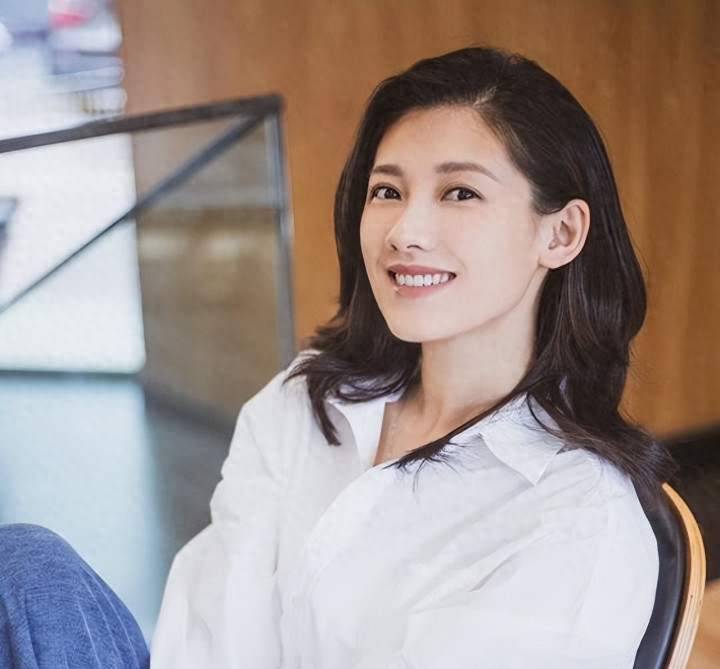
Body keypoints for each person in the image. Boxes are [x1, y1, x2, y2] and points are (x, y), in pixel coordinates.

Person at [0, 46, 674, 668]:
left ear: (561, 233)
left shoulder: (576, 519)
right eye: (388, 191)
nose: (405, 231)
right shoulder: (305, 402)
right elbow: (205, 640)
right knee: (28, 569)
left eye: (460, 192)